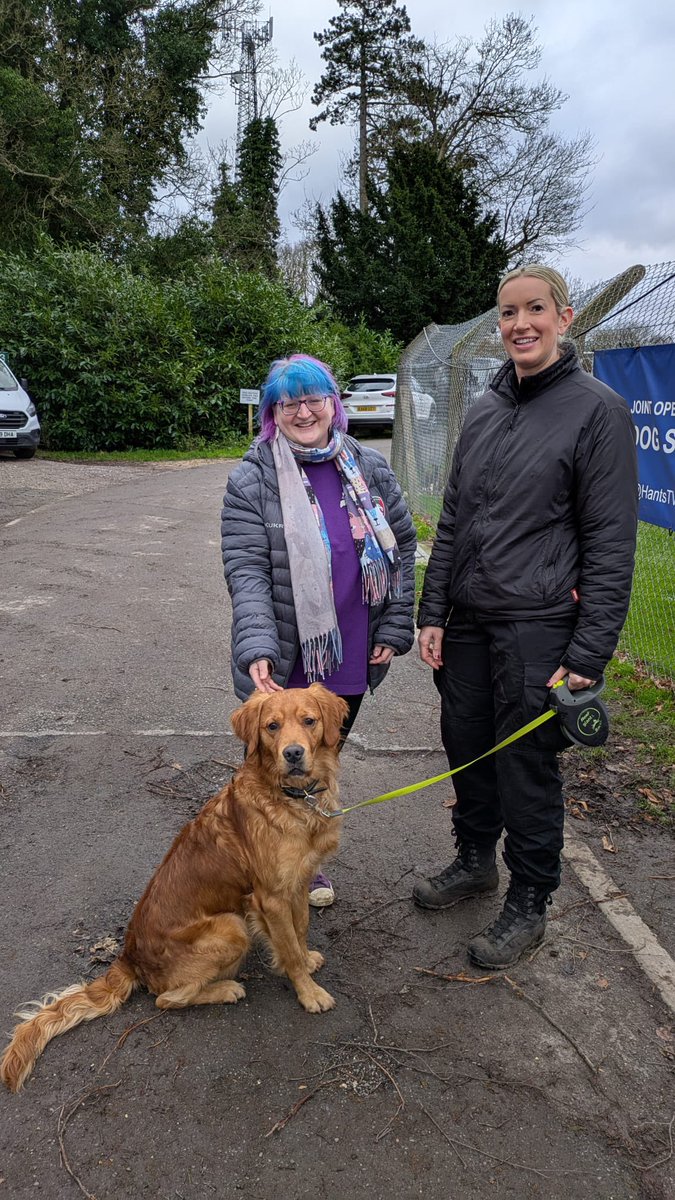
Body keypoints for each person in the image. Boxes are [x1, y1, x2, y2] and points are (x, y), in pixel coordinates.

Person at [413, 264, 638, 967]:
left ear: (563, 317)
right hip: (471, 621)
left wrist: (589, 652)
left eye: (534, 309)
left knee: (524, 767)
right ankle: (475, 858)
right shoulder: (482, 409)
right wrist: (433, 611)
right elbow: (453, 520)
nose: (520, 324)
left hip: (540, 626)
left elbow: (609, 542)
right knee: (465, 745)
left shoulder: (596, 411)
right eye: (507, 313)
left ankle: (529, 899)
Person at [221, 353, 417, 905]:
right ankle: (258, 856)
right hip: (285, 645)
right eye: (290, 403)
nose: (304, 411)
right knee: (271, 761)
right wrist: (256, 643)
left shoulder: (368, 466)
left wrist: (395, 624)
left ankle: (306, 858)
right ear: (273, 413)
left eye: (314, 399)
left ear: (334, 404)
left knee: (323, 750)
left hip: (355, 639)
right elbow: (247, 568)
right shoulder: (252, 476)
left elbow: (400, 550)